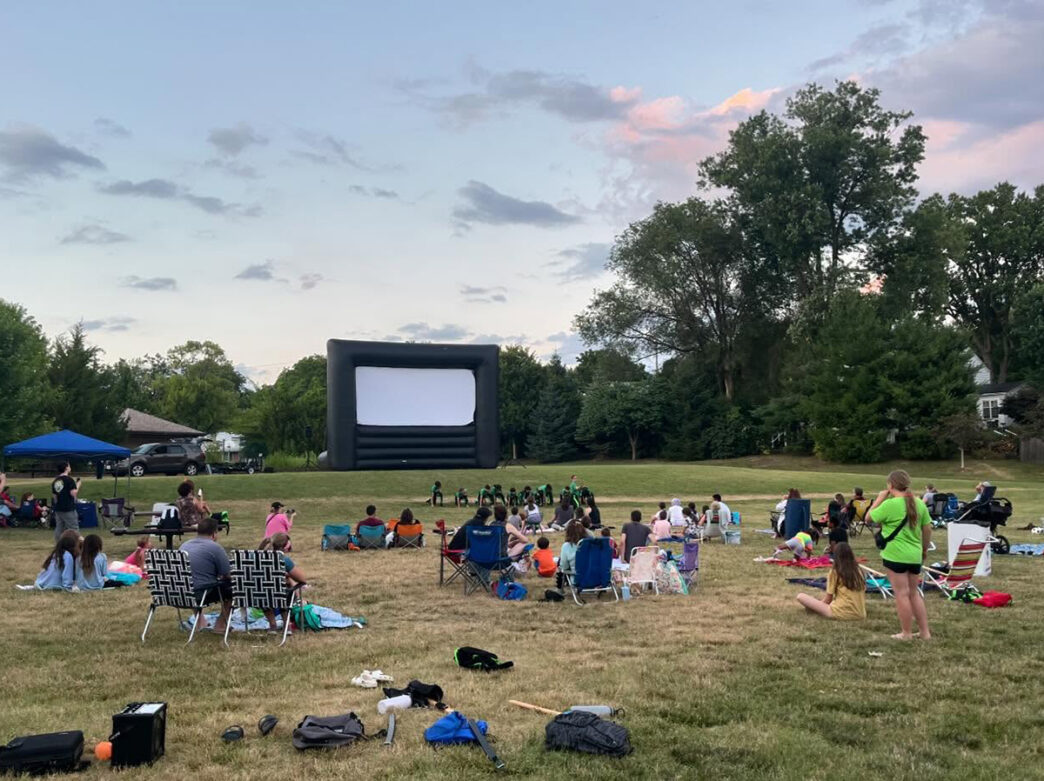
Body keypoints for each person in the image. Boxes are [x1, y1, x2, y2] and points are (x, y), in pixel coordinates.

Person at [866, 470, 932, 641]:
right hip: (915, 554)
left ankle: (906, 633)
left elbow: (868, 518)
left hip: (895, 555)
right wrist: (924, 549)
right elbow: (927, 529)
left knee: (901, 594)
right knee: (914, 593)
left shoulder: (890, 504)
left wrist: (880, 499)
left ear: (890, 485)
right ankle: (925, 632)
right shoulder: (919, 503)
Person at [180, 516, 232, 632]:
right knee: (234, 589)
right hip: (201, 593)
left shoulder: (184, 545)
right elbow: (227, 574)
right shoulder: (215, 547)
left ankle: (201, 622)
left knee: (192, 581)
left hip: (182, 592)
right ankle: (221, 625)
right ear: (214, 534)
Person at [795, 543, 866, 620]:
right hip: (861, 614)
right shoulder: (859, 571)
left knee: (801, 596)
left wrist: (817, 606)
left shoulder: (835, 571)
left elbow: (828, 600)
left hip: (840, 612)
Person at [258, 532, 308, 630]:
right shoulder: (283, 560)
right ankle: (287, 624)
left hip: (258, 596)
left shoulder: (256, 558)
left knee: (266, 590)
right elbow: (302, 579)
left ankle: (272, 624)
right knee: (285, 588)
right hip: (279, 596)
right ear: (285, 546)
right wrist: (288, 576)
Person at [51, 462, 81, 541]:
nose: (70, 468)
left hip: (58, 508)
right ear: (66, 468)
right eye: (69, 466)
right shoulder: (69, 480)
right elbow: (73, 493)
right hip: (68, 508)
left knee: (59, 528)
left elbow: (54, 496)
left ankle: (58, 545)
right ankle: (75, 545)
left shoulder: (56, 480)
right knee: (73, 527)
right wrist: (78, 485)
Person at [556, 521, 586, 590]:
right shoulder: (592, 544)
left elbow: (564, 566)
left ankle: (560, 588)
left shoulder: (567, 546)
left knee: (560, 565)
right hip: (596, 579)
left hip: (577, 580)